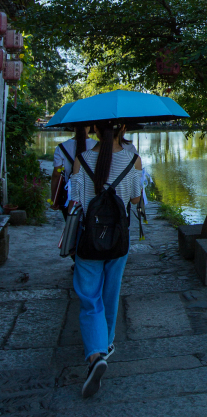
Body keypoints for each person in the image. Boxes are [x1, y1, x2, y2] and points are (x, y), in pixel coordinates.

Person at [70, 119, 142, 399]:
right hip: (118, 241)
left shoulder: (82, 159)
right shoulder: (133, 159)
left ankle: (95, 355)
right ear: (122, 129)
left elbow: (75, 201)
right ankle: (107, 343)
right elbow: (136, 200)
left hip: (89, 241)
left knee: (90, 298)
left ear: (94, 130)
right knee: (111, 293)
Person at [51, 125, 96, 220]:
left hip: (70, 195)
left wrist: (54, 197)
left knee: (71, 227)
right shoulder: (98, 146)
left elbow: (56, 174)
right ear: (89, 127)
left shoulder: (61, 147)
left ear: (74, 127)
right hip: (93, 193)